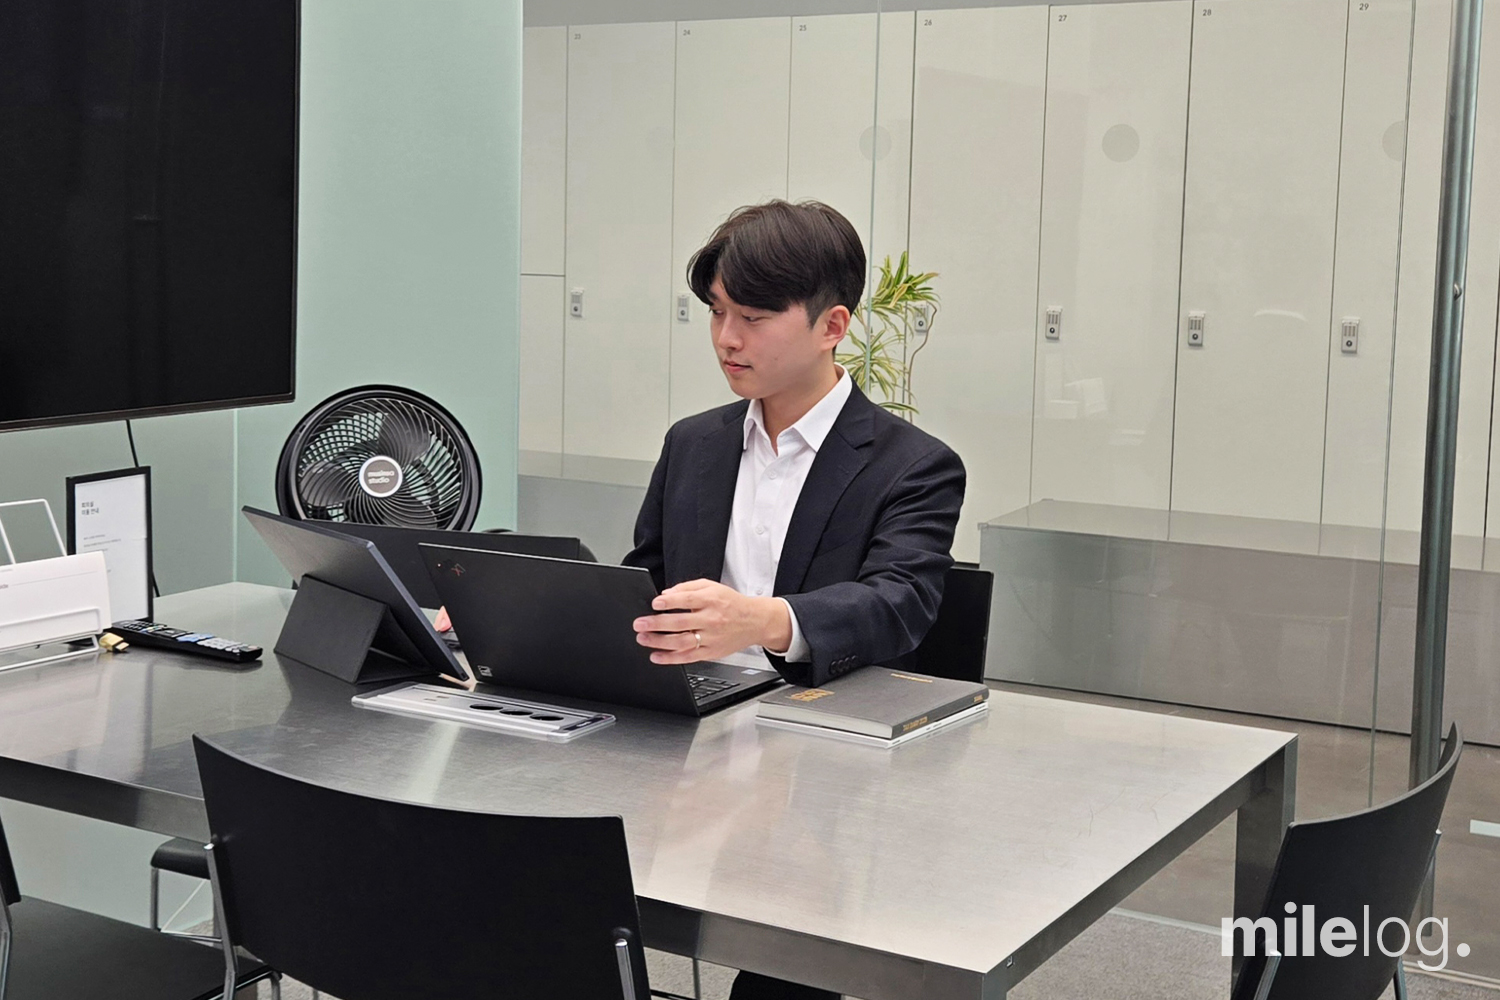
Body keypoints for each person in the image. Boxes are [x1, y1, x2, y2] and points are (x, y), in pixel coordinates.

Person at [624, 200, 966, 1000]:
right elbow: (646, 584)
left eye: (752, 317)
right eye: (716, 313)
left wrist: (767, 620)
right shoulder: (693, 443)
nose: (726, 339)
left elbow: (901, 603)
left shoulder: (912, 465)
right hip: (686, 742)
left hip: (824, 766)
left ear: (831, 325)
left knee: (787, 965)